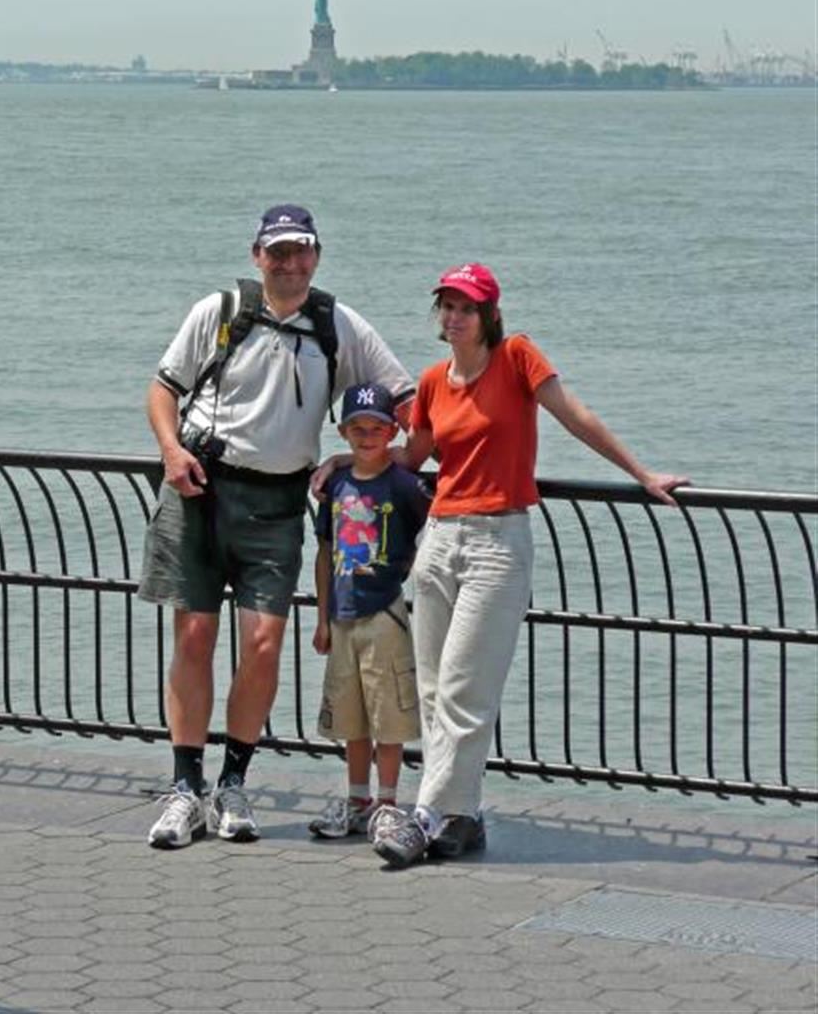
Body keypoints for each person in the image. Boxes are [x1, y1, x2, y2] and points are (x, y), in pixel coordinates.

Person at [361, 262, 689, 867]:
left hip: (498, 543)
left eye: (467, 307)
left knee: (463, 688)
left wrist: (641, 473)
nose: (455, 317)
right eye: (447, 306)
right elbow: (413, 456)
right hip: (439, 541)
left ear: (489, 314)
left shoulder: (516, 357)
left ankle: (423, 817)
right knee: (433, 691)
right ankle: (463, 816)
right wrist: (349, 462)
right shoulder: (432, 382)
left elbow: (574, 415)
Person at [139, 205, 414, 850]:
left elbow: (406, 399)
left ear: (317, 255)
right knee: (194, 636)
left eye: (301, 251)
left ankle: (232, 785)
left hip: (279, 503)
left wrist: (369, 459)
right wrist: (171, 452)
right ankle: (185, 789)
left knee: (263, 644)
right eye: (278, 252)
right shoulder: (220, 311)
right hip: (200, 488)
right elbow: (162, 389)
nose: (290, 263)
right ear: (257, 255)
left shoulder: (336, 324)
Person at [308, 382, 431, 839]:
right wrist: (322, 618)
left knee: (389, 714)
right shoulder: (335, 485)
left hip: (385, 612)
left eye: (376, 428)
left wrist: (410, 566)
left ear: (392, 431)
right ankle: (358, 799)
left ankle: (387, 802)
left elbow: (432, 527)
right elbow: (324, 552)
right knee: (352, 715)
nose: (366, 436)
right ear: (343, 433)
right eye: (357, 429)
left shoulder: (404, 485)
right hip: (342, 615)